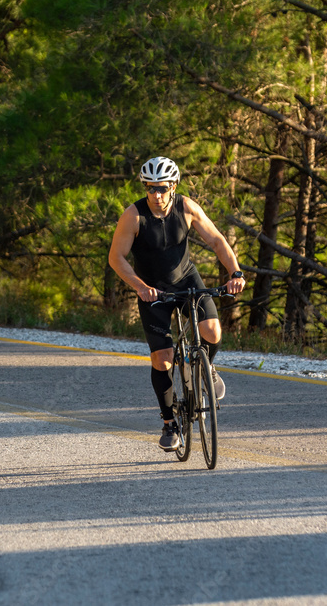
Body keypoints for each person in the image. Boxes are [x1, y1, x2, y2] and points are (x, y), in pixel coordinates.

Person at [108, 156, 246, 452]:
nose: (156, 195)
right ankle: (170, 423)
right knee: (163, 358)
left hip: (186, 280)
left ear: (174, 185)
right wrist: (141, 287)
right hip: (152, 291)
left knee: (212, 331)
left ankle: (206, 368)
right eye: (150, 188)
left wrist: (235, 273)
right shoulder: (133, 216)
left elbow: (218, 241)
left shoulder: (187, 208)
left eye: (161, 187)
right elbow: (116, 258)